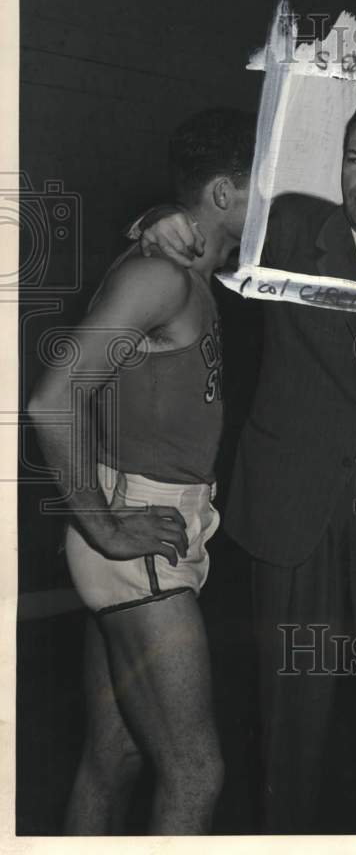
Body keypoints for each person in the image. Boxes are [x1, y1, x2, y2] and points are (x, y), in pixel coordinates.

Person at [138, 99, 356, 833]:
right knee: (289, 720)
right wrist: (157, 217)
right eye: (352, 159)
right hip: (291, 503)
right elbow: (202, 217)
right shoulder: (283, 230)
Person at [29, 108, 255, 834]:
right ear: (223, 192)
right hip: (139, 539)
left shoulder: (189, 270)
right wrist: (105, 526)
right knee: (196, 774)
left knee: (114, 758)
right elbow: (50, 401)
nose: (275, 200)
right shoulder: (161, 276)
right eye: (263, 185)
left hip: (158, 531)